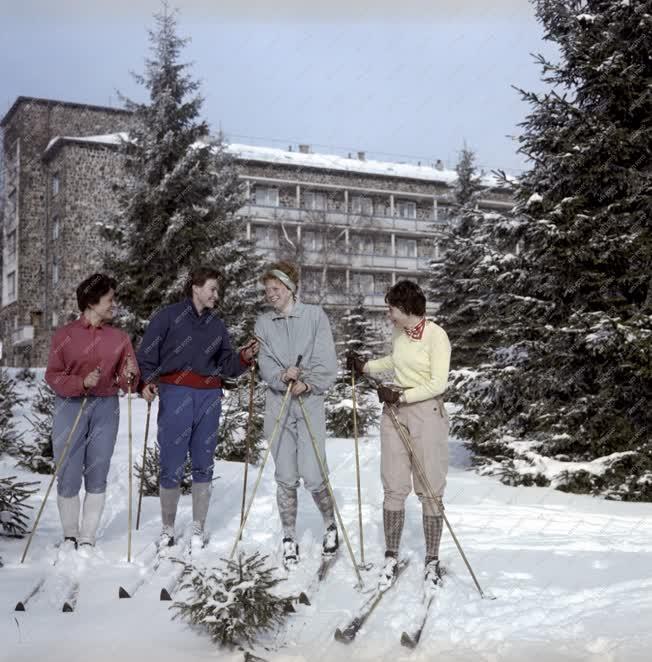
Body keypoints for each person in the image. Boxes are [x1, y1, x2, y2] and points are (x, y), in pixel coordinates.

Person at [137, 266, 258, 552]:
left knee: (204, 460)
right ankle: (168, 528)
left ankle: (197, 526)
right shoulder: (168, 316)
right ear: (196, 287)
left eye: (218, 290)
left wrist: (244, 356)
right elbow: (146, 355)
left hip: (210, 396)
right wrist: (147, 382)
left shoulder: (216, 325)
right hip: (176, 393)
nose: (217, 295)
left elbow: (227, 364)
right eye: (212, 289)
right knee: (172, 460)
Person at [348, 280, 451, 590]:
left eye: (391, 308)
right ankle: (391, 555)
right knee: (393, 485)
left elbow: (438, 384)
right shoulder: (399, 333)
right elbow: (395, 361)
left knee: (430, 488)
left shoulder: (436, 336)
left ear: (407, 308)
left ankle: (431, 559)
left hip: (426, 413)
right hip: (394, 412)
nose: (388, 314)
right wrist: (365, 367)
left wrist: (401, 397)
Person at [45, 273, 139, 552]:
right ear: (92, 301)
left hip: (105, 406)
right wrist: (80, 382)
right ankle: (70, 535)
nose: (115, 304)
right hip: (69, 406)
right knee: (69, 470)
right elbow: (52, 375)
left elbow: (128, 379)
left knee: (98, 468)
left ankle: (87, 535)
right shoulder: (64, 335)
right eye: (110, 299)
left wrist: (130, 376)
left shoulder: (120, 338)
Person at [254, 261, 338, 567]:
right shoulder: (264, 322)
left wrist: (307, 382)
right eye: (267, 291)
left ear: (290, 288)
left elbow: (325, 357)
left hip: (309, 402)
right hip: (278, 404)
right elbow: (265, 361)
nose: (270, 295)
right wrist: (280, 376)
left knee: (313, 473)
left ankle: (330, 525)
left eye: (275, 289)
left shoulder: (315, 316)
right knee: (285, 475)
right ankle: (288, 535)